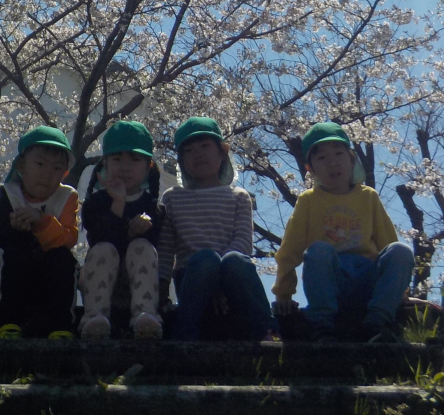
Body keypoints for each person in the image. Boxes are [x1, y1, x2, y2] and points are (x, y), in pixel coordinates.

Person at [272, 122, 415, 342]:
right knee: (318, 251)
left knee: (400, 251)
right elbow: (290, 250)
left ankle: (377, 323)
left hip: (367, 280)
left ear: (351, 159)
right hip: (331, 281)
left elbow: (387, 242)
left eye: (339, 154)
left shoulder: (368, 197)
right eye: (321, 158)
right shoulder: (308, 201)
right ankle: (322, 326)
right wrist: (284, 293)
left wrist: (401, 292)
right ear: (310, 169)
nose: (332, 163)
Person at [156, 116, 277, 341]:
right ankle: (185, 333)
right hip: (193, 277)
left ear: (223, 152)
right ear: (181, 161)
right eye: (189, 151)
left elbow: (243, 242)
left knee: (236, 260)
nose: (198, 154)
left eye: (205, 146)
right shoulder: (173, 197)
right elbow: (165, 249)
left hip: (231, 276)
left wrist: (219, 278)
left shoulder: (239, 196)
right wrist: (161, 286)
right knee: (206, 259)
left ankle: (266, 329)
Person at [0, 126, 79, 338]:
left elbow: (69, 237)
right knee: (11, 253)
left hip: (51, 268)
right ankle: (8, 321)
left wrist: (42, 222)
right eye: (39, 164)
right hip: (19, 269)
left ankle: (60, 325)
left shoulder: (67, 196)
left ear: (65, 173)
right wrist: (16, 229)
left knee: (64, 260)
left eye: (57, 168)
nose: (47, 174)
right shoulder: (10, 193)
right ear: (21, 165)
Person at [79, 119, 163, 338]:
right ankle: (95, 317)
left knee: (142, 246)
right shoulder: (94, 203)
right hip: (101, 281)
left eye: (135, 159)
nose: (125, 167)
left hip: (138, 284)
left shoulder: (153, 208)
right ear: (105, 163)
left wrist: (142, 230)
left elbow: (156, 246)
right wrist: (118, 203)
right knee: (103, 249)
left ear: (148, 167)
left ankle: (145, 314)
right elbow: (99, 237)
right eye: (117, 159)